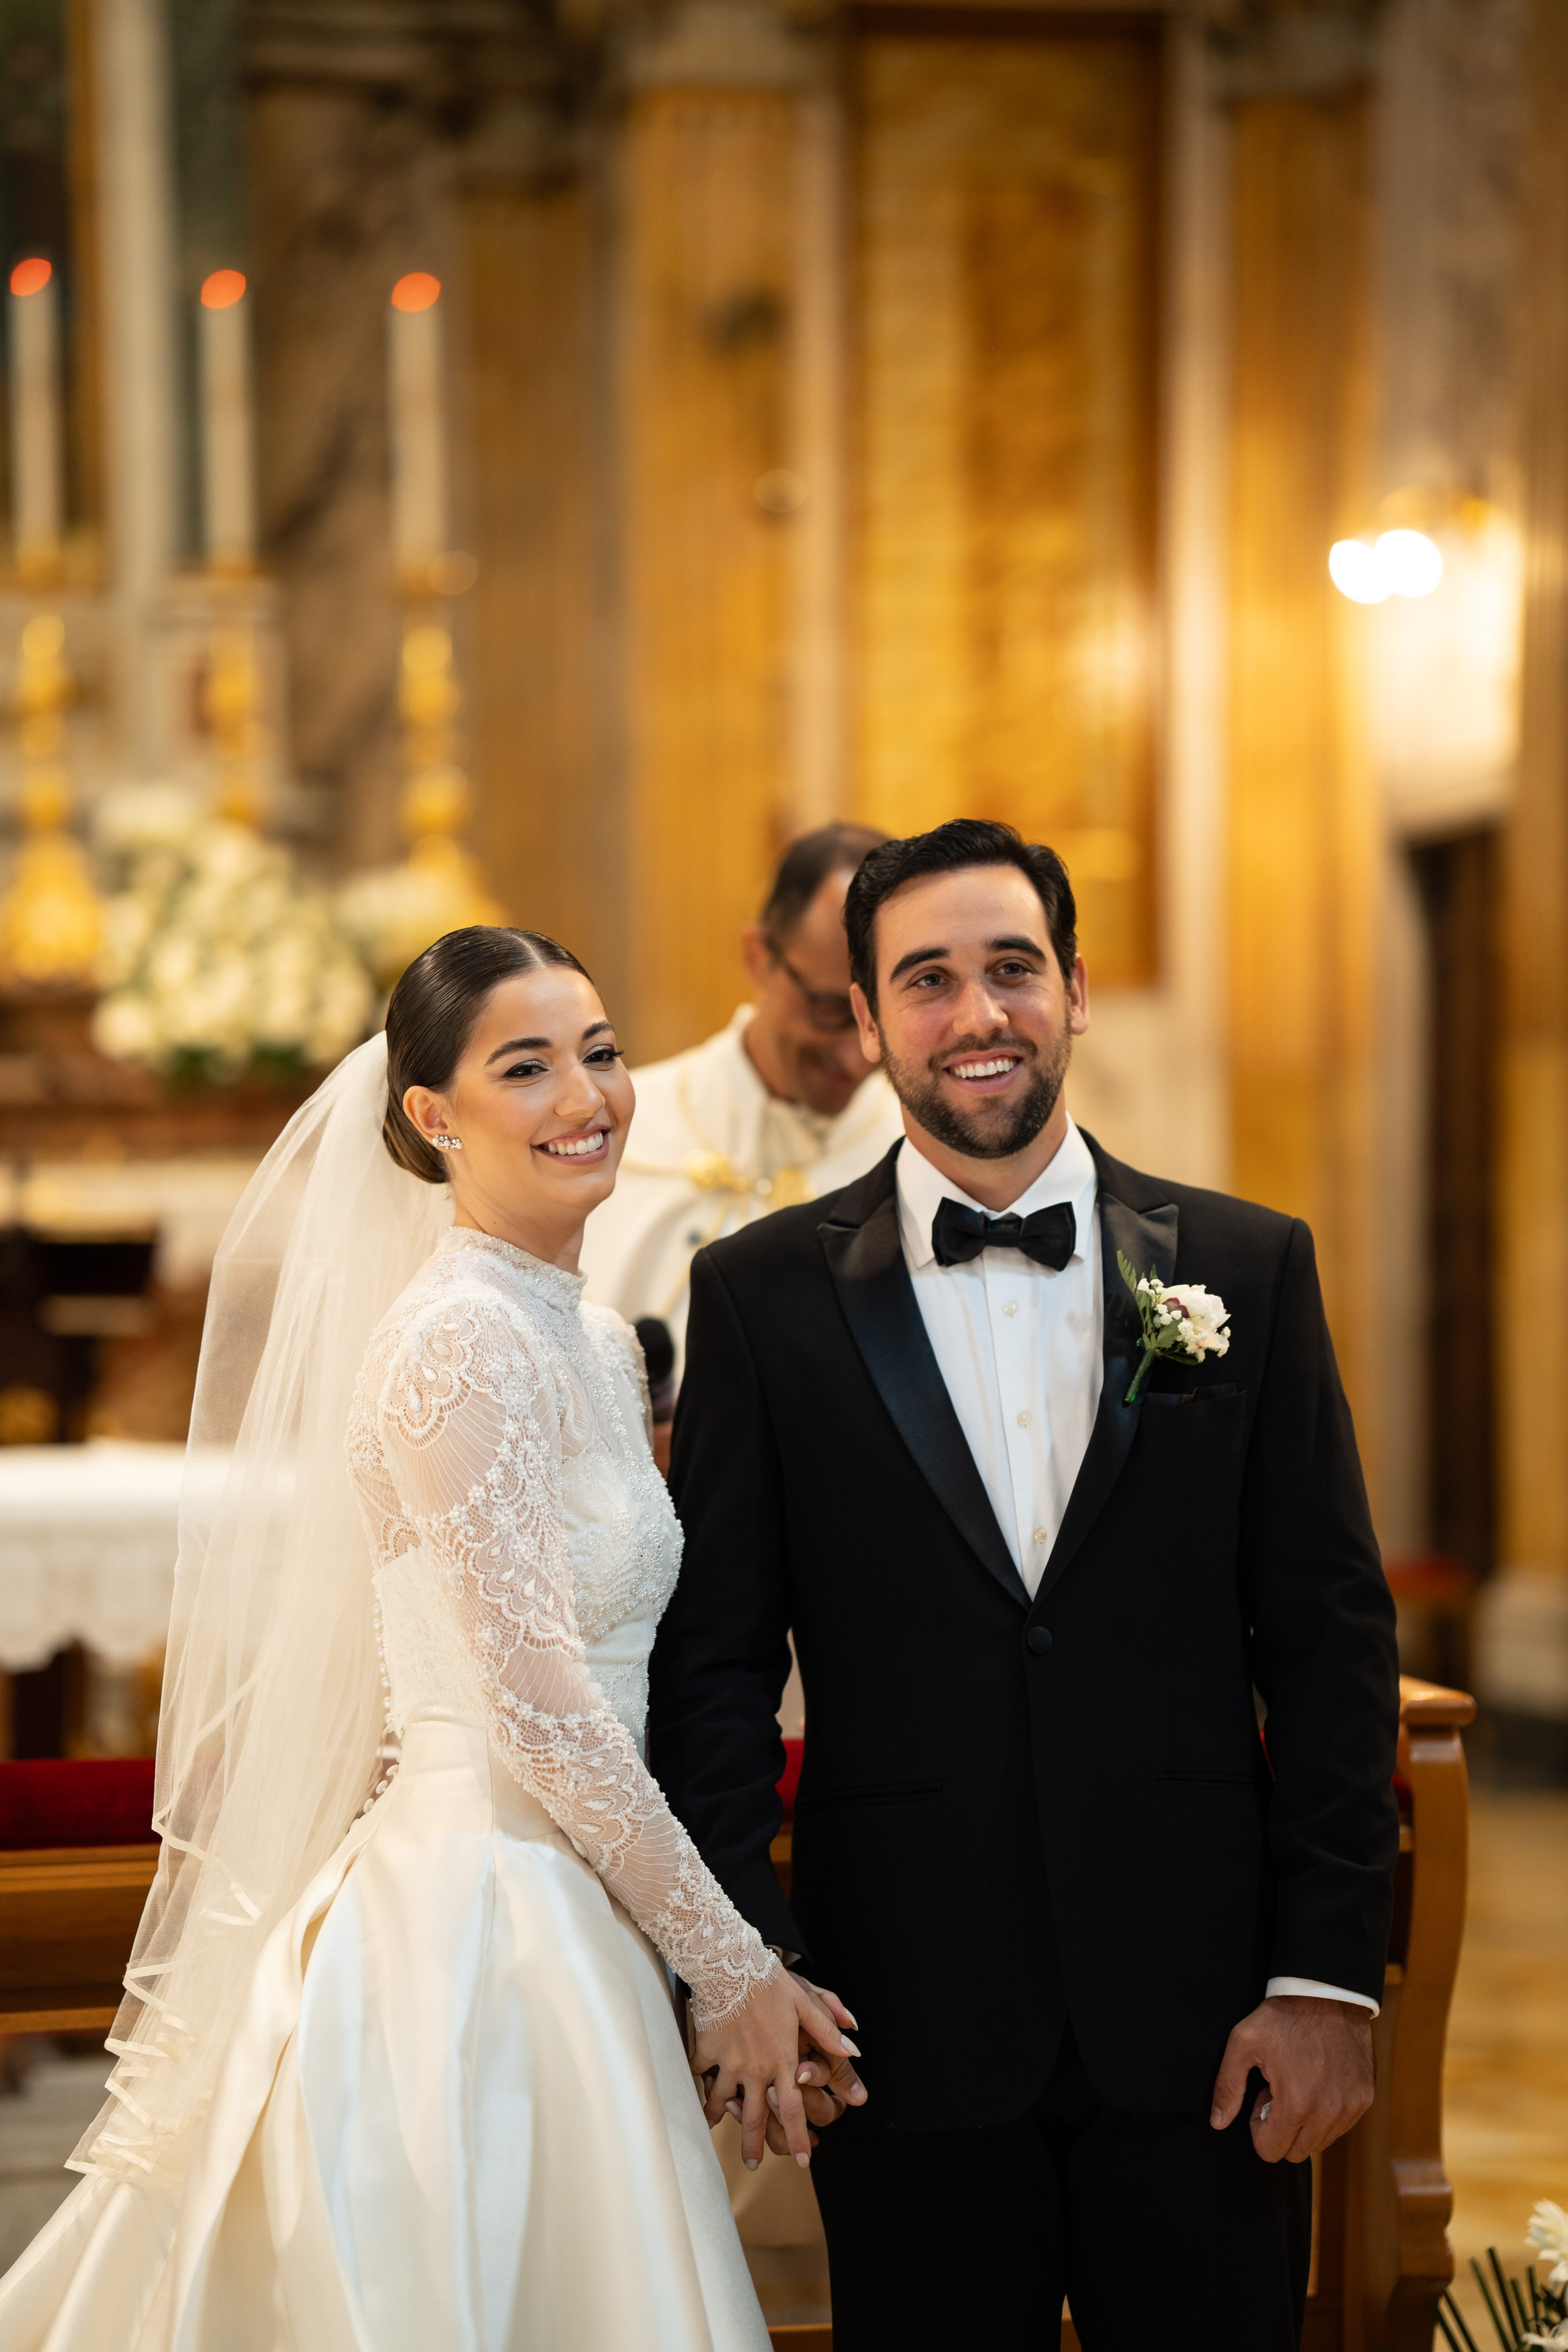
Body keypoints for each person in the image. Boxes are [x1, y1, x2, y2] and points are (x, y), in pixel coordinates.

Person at [0, 926, 865, 2352]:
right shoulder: (451, 1339)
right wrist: (730, 1957)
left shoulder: (585, 1334)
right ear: (431, 1116)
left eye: (597, 1051)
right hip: (480, 1912)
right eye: (523, 1066)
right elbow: (535, 1702)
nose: (584, 1095)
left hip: (579, 1893)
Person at [651, 821, 1402, 2351]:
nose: (975, 1012)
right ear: (863, 1021)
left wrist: (1327, 1971)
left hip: (1207, 2022)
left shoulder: (1245, 1268)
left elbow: (1329, 1635)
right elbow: (711, 1662)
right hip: (897, 2027)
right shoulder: (759, 1296)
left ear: (1075, 989)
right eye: (924, 979)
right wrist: (751, 1959)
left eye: (1011, 968)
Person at [580, 823, 903, 1376]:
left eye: (883, 1015)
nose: (860, 1058)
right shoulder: (616, 1128)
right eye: (829, 1011)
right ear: (758, 957)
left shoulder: (919, 1157)